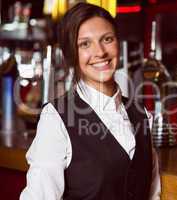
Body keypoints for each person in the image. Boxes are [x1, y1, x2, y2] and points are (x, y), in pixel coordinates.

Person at [20, 3, 161, 200]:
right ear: (72, 54)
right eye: (85, 44)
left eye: (107, 39)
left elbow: (152, 194)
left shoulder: (142, 114)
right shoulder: (56, 118)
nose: (100, 52)